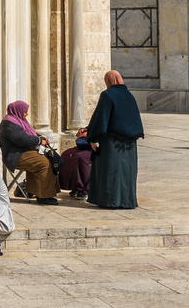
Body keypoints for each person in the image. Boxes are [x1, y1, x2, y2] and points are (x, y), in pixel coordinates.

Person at [86, 71, 144, 210]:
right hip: (129, 144)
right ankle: (127, 201)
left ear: (108, 80)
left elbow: (101, 118)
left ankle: (110, 200)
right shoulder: (129, 95)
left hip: (112, 144)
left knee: (110, 172)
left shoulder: (107, 95)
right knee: (126, 173)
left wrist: (92, 137)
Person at [0, 101, 59, 205]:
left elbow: (31, 133)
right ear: (18, 111)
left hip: (23, 152)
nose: (27, 114)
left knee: (48, 159)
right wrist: (39, 141)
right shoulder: (9, 123)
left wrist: (40, 137)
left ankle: (38, 192)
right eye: (25, 112)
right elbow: (21, 139)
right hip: (15, 156)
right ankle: (44, 196)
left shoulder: (18, 121)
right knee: (44, 164)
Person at [59, 128, 92, 201]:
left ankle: (84, 189)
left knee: (80, 157)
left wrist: (89, 135)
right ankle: (73, 186)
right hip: (85, 145)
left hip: (96, 146)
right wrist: (82, 131)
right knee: (66, 155)